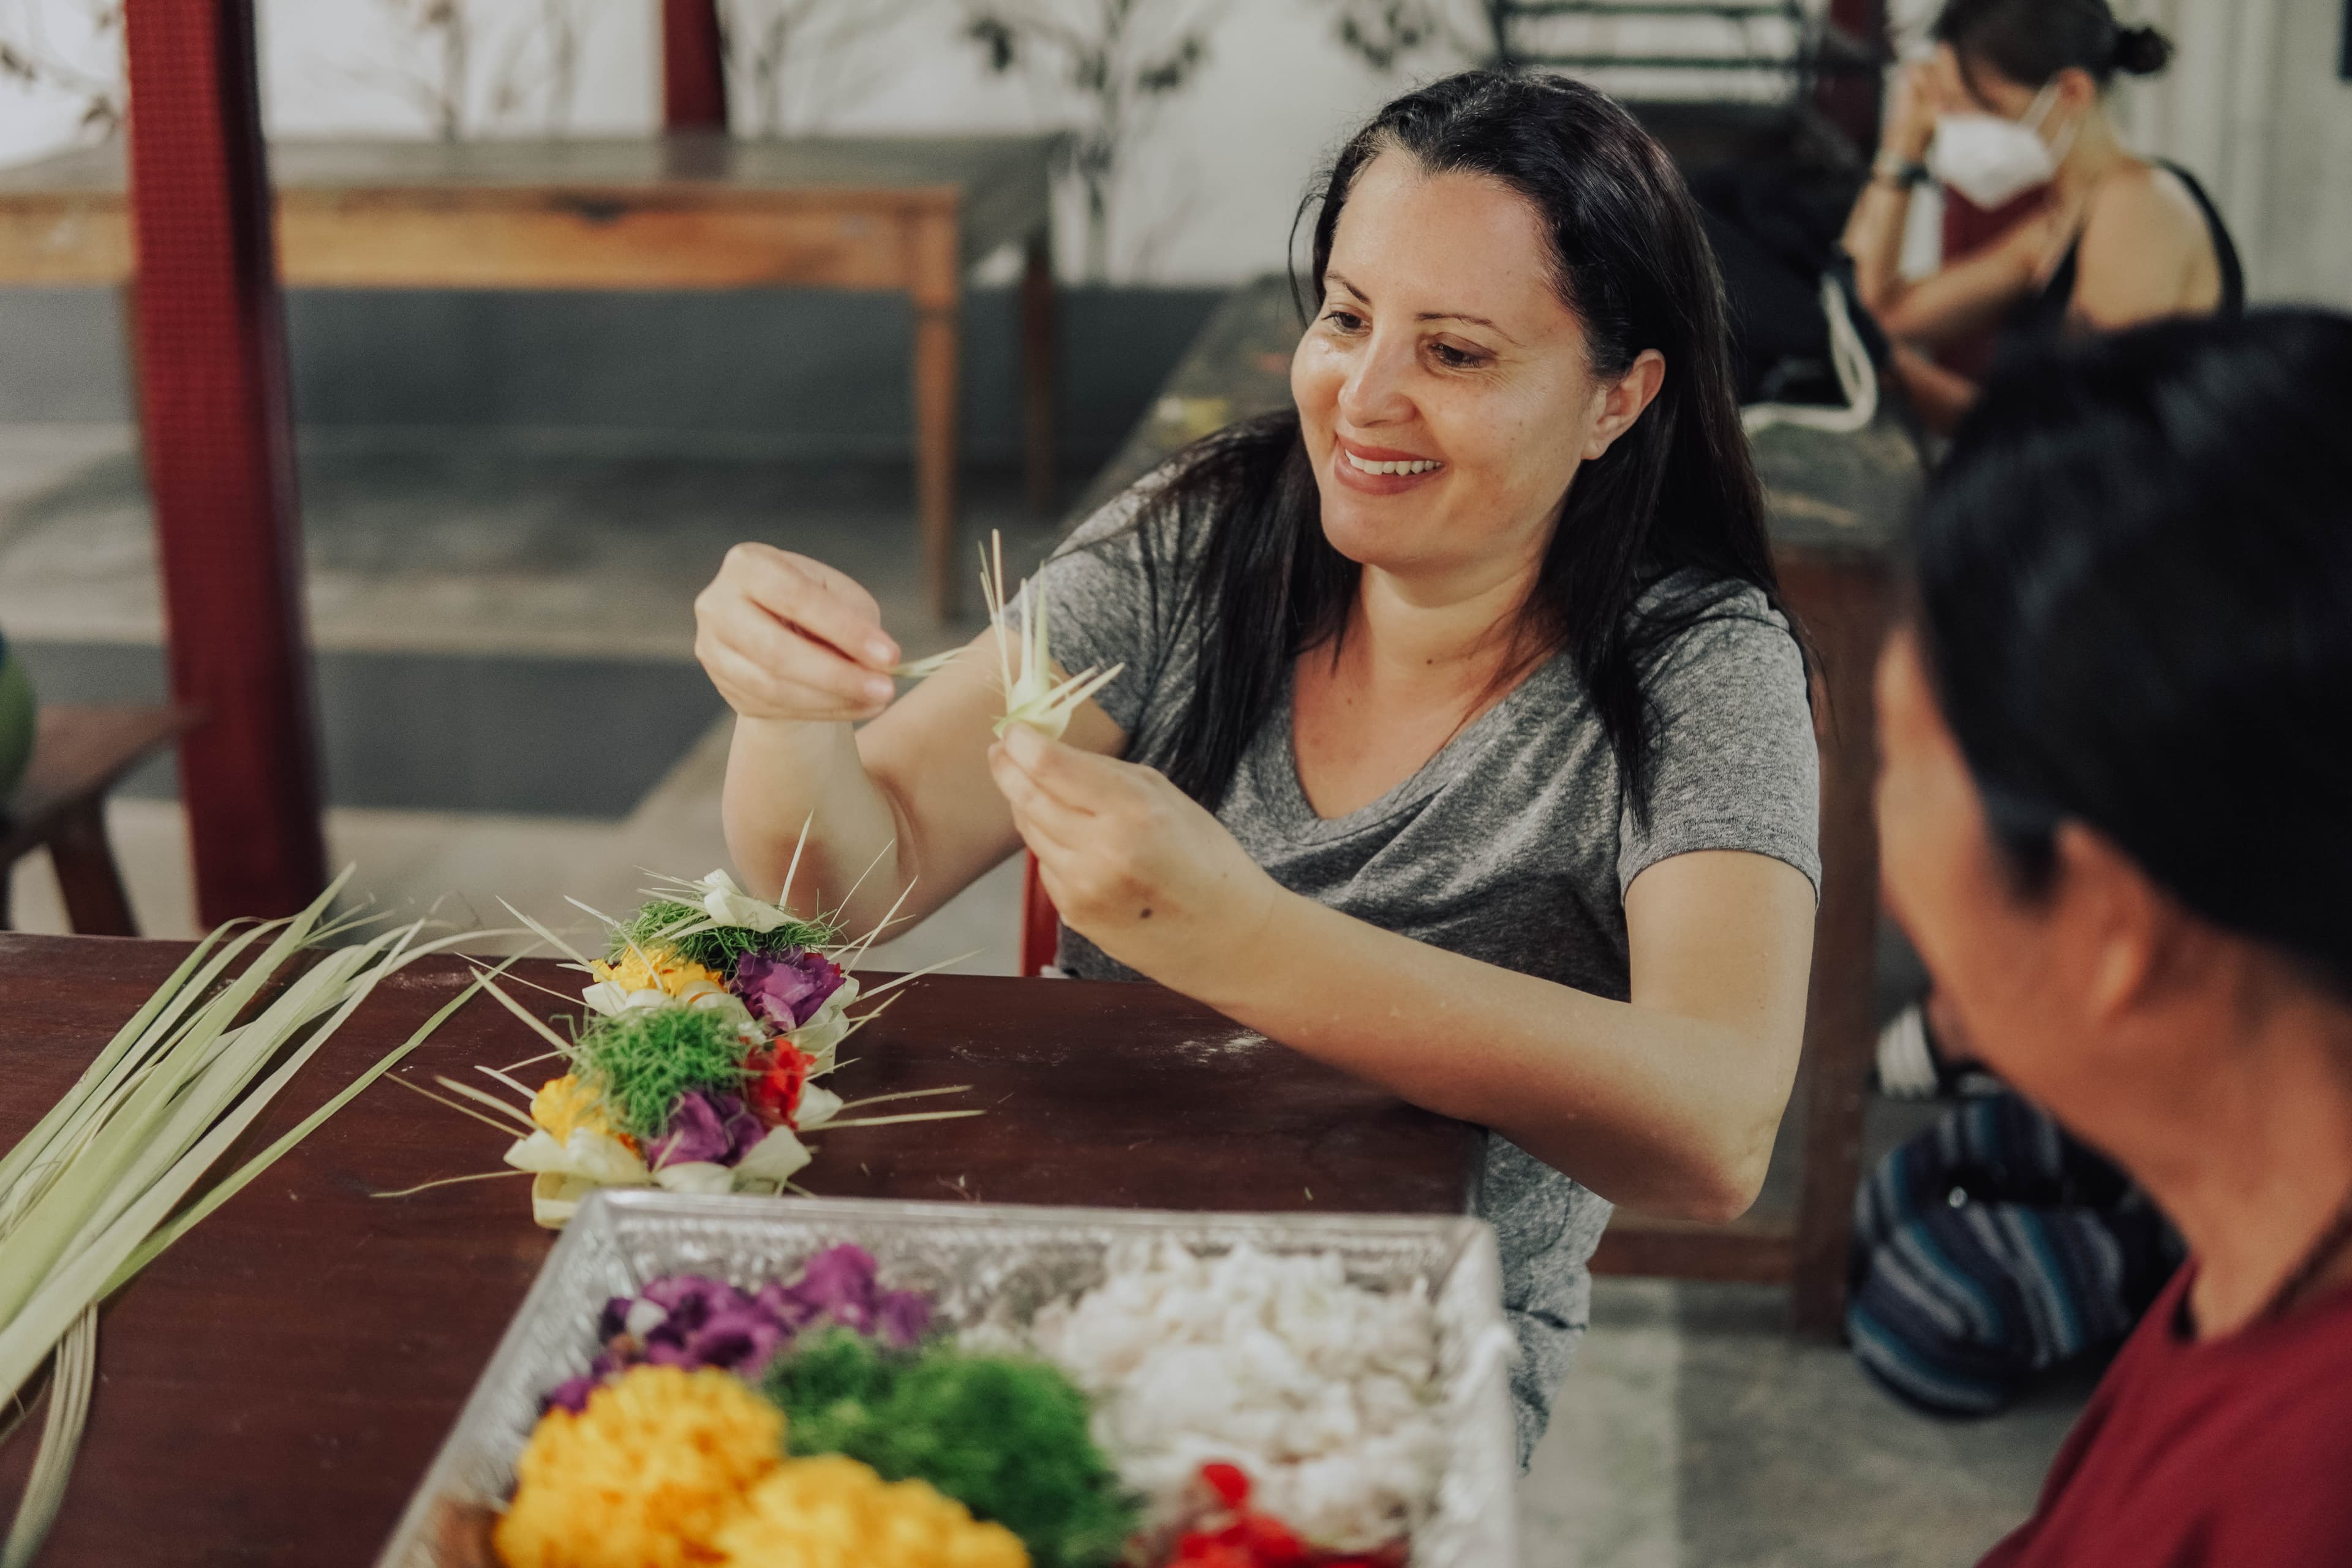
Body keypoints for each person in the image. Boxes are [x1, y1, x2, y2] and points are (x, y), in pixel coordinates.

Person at [693, 70, 1821, 1460]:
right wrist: (783, 707)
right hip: (1069, 1280)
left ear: (1616, 397)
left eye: (1454, 353)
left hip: (1381, 1367)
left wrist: (1241, 940)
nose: (1364, 396)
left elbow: (1717, 1130)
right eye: (1345, 317)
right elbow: (849, 883)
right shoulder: (1200, 539)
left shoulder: (1701, 667)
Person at [1875, 311, 2352, 1565]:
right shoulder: (2266, 1245)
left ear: (2110, 922)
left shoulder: (2297, 1504)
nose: (1881, 859)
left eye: (1897, 765)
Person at [1842, 0, 2241, 433]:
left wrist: (1902, 375)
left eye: (1982, 106)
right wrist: (1903, 144)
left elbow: (2087, 434)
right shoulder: (2059, 221)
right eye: (1948, 105)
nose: (1949, 125)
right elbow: (1879, 311)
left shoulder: (2139, 205)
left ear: (2071, 92)